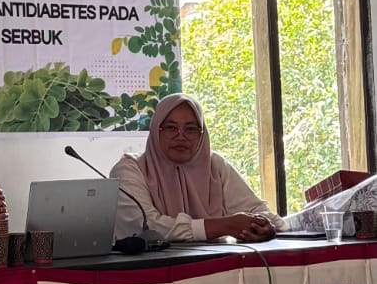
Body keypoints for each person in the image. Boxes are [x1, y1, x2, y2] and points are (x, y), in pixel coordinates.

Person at [110, 93, 283, 243]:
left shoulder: (214, 165)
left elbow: (258, 211)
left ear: (202, 134)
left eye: (191, 129)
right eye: (171, 128)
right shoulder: (130, 169)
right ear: (156, 130)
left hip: (217, 266)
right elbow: (146, 226)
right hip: (151, 269)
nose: (181, 136)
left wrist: (264, 226)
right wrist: (223, 226)